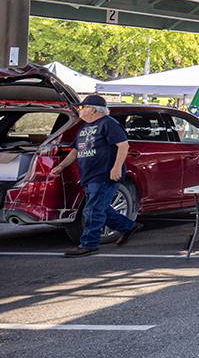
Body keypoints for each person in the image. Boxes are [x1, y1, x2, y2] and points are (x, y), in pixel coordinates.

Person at [54, 95, 142, 257]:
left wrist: (116, 168)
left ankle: (89, 243)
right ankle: (127, 227)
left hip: (104, 174)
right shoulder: (85, 127)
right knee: (99, 208)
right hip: (90, 175)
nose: (79, 110)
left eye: (82, 107)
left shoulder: (109, 124)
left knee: (93, 209)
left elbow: (123, 145)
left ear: (92, 109)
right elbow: (76, 150)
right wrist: (61, 166)